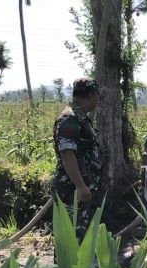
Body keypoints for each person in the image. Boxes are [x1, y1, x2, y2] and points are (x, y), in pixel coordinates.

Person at [51, 78, 102, 240]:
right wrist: (80, 185)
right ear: (90, 96)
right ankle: (65, 266)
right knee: (70, 240)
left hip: (80, 191)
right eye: (96, 97)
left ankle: (79, 266)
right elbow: (67, 155)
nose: (97, 101)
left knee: (80, 238)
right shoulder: (69, 118)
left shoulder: (81, 119)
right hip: (71, 191)